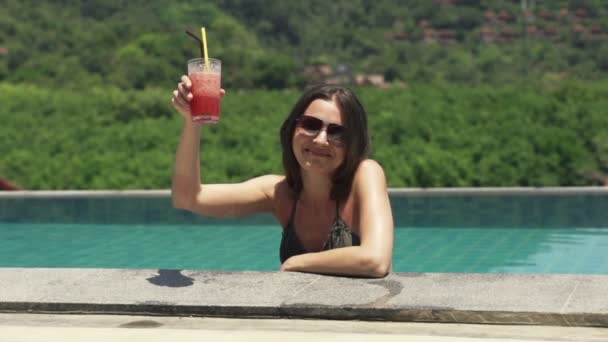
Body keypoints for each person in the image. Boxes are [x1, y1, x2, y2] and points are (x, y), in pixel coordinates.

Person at [171, 77, 394, 277]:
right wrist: (192, 122)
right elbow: (187, 198)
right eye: (310, 125)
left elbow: (375, 260)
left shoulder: (366, 173)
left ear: (352, 143)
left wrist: (296, 261)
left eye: (336, 132)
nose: (320, 139)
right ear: (292, 130)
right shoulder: (278, 192)